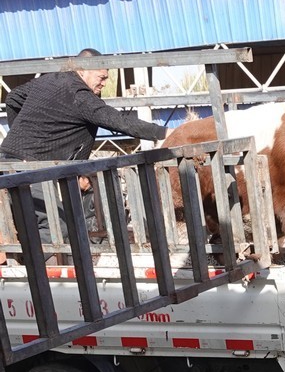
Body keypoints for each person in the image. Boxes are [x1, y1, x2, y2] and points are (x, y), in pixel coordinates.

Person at [1, 48, 167, 248]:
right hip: (28, 167)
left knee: (31, 221)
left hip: (9, 160)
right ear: (83, 70)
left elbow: (13, 98)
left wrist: (21, 137)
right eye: (101, 77)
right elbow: (119, 121)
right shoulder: (79, 95)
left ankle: (32, 266)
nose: (104, 82)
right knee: (55, 227)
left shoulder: (49, 79)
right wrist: (163, 134)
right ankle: (38, 276)